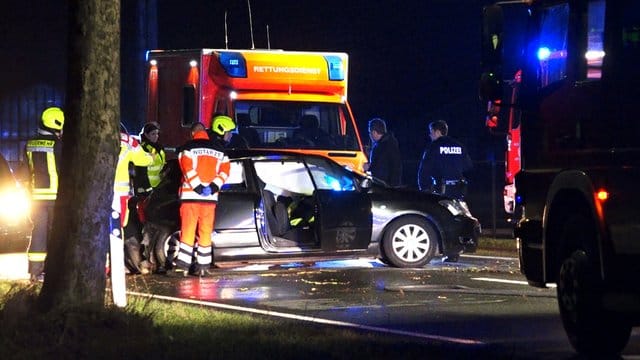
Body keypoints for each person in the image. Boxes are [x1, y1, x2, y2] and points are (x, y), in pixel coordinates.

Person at [171, 116, 235, 277]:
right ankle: (203, 267)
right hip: (210, 199)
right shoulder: (220, 151)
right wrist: (212, 187)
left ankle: (182, 267)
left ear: (193, 133)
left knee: (188, 231)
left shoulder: (188, 148)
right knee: (205, 232)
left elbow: (187, 168)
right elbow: (225, 171)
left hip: (191, 197)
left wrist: (198, 187)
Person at [110, 125, 154, 306]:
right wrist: (150, 156)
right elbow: (144, 160)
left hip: (98, 193)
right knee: (117, 231)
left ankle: (106, 266)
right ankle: (114, 266)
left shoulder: (94, 136)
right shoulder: (128, 141)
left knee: (103, 231)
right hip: (119, 195)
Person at [24, 106, 65, 282]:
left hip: (35, 197)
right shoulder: (58, 145)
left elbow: (25, 170)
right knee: (55, 234)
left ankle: (35, 271)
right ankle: (52, 270)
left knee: (38, 232)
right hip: (55, 197)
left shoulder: (30, 143)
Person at [417, 120, 473, 200]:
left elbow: (423, 172)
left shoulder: (433, 147)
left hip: (441, 190)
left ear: (437, 132)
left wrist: (424, 189)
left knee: (441, 212)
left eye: (431, 132)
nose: (430, 135)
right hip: (459, 190)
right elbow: (468, 166)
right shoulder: (459, 145)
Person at [363, 117, 402, 187]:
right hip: (389, 186)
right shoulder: (389, 143)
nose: (369, 135)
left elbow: (381, 168)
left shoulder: (383, 147)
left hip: (384, 187)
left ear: (374, 132)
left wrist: (369, 167)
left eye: (370, 132)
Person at [133, 122, 166, 196]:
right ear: (146, 135)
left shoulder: (159, 148)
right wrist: (145, 187)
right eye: (153, 134)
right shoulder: (143, 148)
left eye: (157, 134)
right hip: (146, 187)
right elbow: (140, 170)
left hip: (157, 186)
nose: (156, 136)